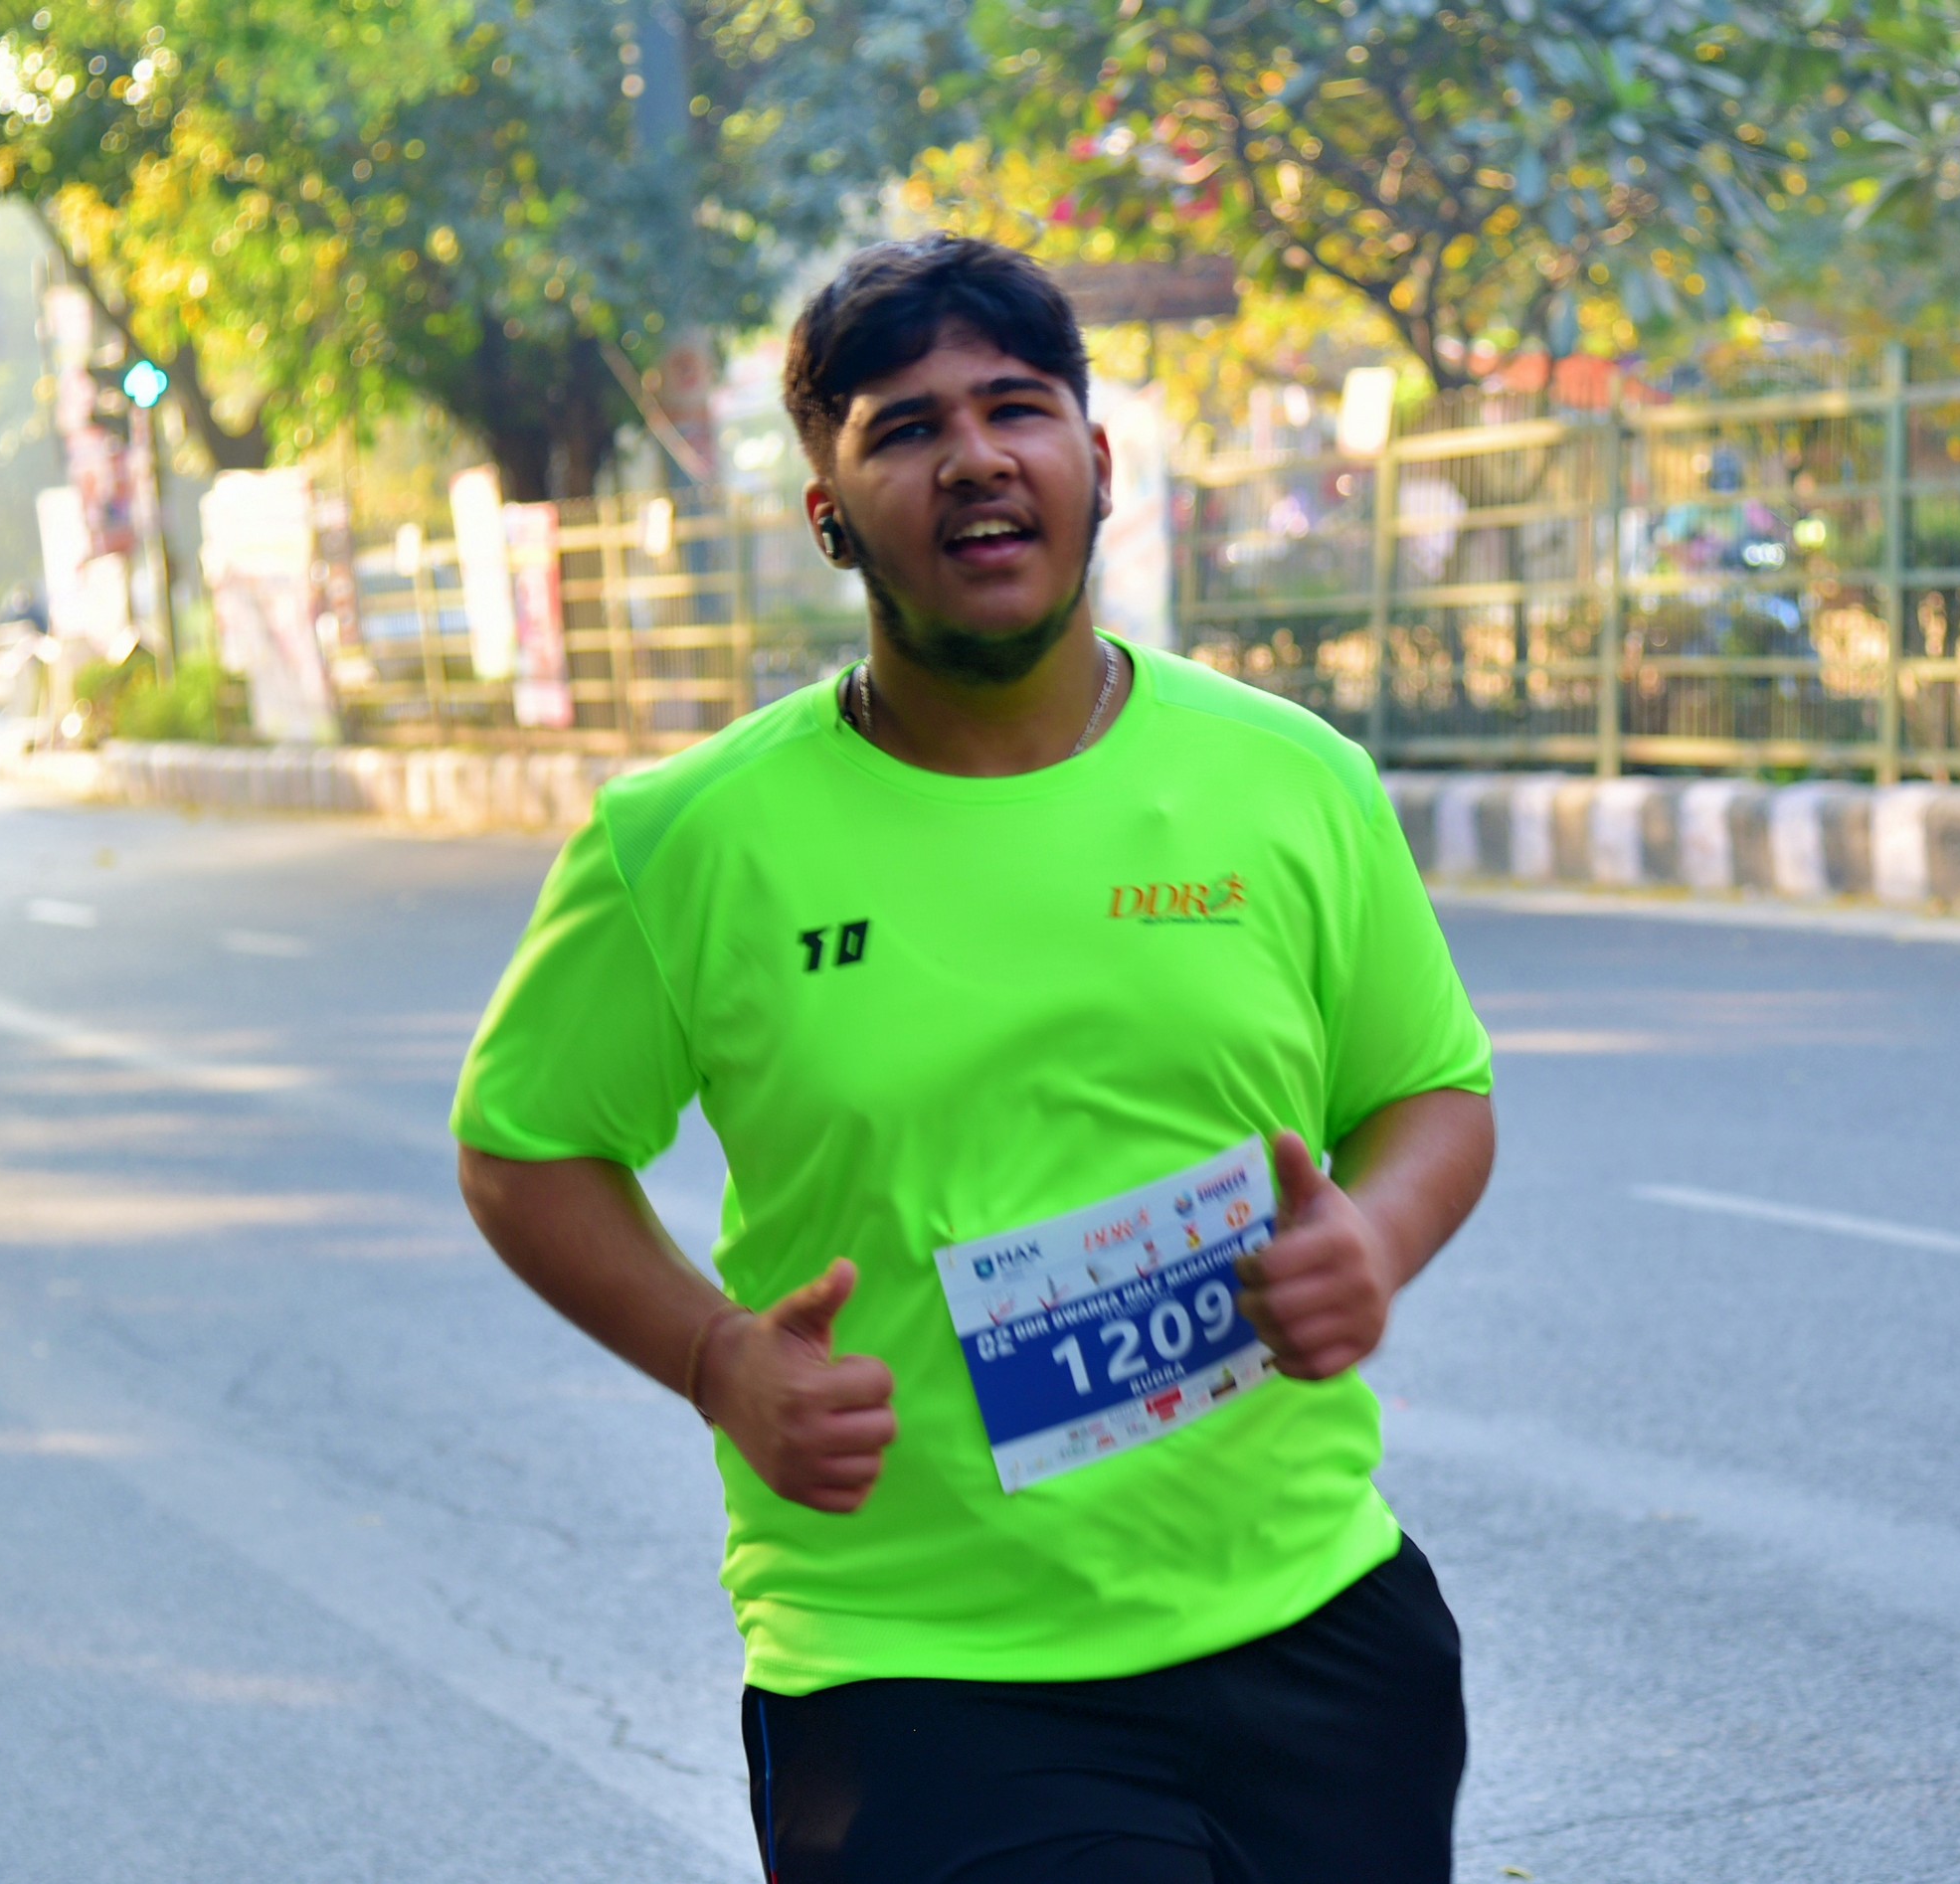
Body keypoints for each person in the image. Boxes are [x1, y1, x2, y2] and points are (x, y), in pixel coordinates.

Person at [453, 236, 1497, 1884]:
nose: (974, 457)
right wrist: (718, 1359)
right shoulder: (691, 841)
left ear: (1097, 463)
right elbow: (524, 1146)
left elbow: (1429, 1090)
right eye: (905, 428)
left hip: (1316, 1631)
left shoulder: (1291, 780)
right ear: (829, 514)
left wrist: (1372, 1237)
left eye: (1015, 408)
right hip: (917, 1672)